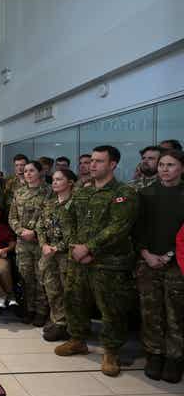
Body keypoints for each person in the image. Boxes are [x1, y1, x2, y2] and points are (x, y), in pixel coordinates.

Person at [55, 145, 138, 378]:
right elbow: (68, 218)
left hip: (109, 262)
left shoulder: (124, 193)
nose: (92, 165)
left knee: (111, 307)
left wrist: (89, 248)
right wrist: (75, 246)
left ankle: (111, 351)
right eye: (91, 160)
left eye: (99, 161)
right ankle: (77, 339)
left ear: (112, 164)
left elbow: (119, 227)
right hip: (79, 259)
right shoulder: (83, 191)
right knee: (74, 299)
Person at [135, 149, 184, 383]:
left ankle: (174, 357)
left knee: (175, 313)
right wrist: (146, 253)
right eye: (162, 164)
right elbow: (137, 228)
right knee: (151, 311)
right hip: (148, 259)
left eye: (171, 165)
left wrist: (168, 256)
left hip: (177, 263)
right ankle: (154, 354)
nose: (165, 169)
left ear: (181, 168)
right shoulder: (145, 193)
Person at [36, 169, 78, 342]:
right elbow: (40, 227)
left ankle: (72, 326)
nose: (54, 182)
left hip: (67, 255)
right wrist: (44, 245)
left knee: (69, 291)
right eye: (53, 179)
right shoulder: (50, 203)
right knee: (52, 290)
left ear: (70, 183)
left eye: (59, 179)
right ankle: (58, 321)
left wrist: (56, 247)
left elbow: (76, 232)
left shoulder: (75, 204)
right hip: (49, 254)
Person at [9, 161, 52, 326]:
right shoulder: (19, 192)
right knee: (26, 278)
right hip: (23, 243)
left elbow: (50, 217)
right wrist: (21, 231)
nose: (27, 173)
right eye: (25, 171)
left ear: (40, 172)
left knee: (41, 277)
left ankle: (42, 311)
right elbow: (12, 217)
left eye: (31, 170)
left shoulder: (49, 192)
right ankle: (29, 309)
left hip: (41, 242)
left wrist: (34, 232)